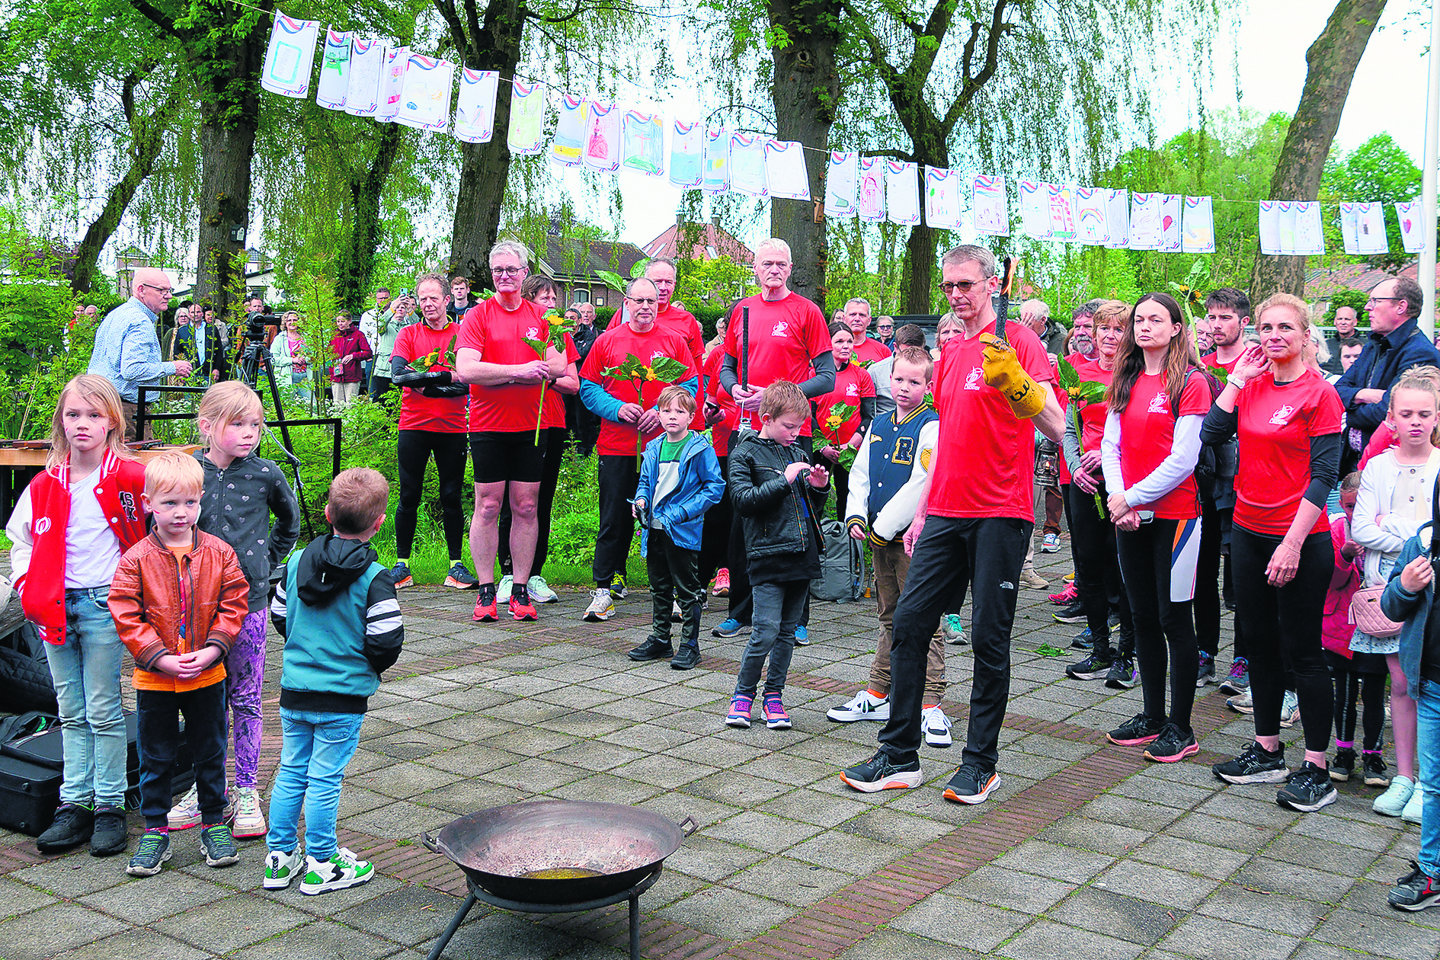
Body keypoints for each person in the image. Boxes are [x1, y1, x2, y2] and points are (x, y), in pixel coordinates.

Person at [840, 244, 1064, 800]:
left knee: (990, 639)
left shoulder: (1021, 342)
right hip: (943, 512)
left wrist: (1019, 385)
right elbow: (944, 444)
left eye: (966, 284)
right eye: (948, 286)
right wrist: (923, 510)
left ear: (992, 284)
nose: (957, 295)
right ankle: (899, 754)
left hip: (1001, 514)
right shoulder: (950, 354)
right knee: (910, 624)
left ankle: (980, 762)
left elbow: (1058, 425)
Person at [1203, 293, 1342, 812]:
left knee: (1302, 652)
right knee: (1256, 644)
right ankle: (1267, 750)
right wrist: (1237, 379)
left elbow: (1325, 475)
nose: (1275, 335)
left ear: (1307, 336)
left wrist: (1292, 542)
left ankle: (1317, 767)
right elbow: (1212, 434)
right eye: (1266, 326)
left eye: (1286, 327)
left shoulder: (1319, 394)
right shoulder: (1253, 384)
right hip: (1247, 529)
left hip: (1301, 536)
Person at [6, 376, 149, 856]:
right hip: (53, 607)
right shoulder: (45, 484)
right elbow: (21, 541)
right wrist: (27, 588)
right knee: (69, 710)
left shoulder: (130, 478)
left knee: (104, 708)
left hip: (103, 606)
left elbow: (158, 533)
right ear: (61, 422)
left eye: (93, 415)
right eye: (73, 415)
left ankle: (109, 805)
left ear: (113, 420)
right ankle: (76, 803)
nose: (82, 424)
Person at [163, 383, 300, 840]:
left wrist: (264, 564)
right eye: (237, 424)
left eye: (256, 425)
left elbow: (289, 521)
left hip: (248, 607)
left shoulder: (265, 474)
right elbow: (159, 527)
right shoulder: (187, 475)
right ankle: (204, 789)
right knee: (201, 702)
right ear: (206, 425)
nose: (249, 433)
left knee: (245, 699)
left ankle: (246, 790)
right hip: (192, 608)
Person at [263, 468, 403, 895]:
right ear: (380, 523)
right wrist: (368, 668)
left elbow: (281, 616)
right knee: (325, 779)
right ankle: (322, 863)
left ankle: (279, 858)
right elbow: (386, 638)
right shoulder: (376, 576)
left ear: (327, 513)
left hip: (295, 689)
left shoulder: (294, 561)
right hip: (342, 697)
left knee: (290, 772)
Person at [110, 452, 249, 876]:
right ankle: (155, 829)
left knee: (210, 752)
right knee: (156, 756)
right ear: (149, 502)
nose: (181, 512)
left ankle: (213, 822)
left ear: (201, 501)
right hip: (155, 680)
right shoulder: (135, 559)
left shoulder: (221, 554)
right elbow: (125, 613)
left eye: (189, 503)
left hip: (208, 673)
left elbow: (234, 602)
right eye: (169, 503)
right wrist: (162, 659)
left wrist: (212, 650)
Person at [1099, 293, 1208, 763]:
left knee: (1172, 619)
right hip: (1131, 516)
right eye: (1138, 319)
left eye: (1155, 319)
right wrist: (1120, 500)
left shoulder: (1193, 381)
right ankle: (1151, 715)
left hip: (1177, 518)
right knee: (1140, 616)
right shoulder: (1125, 377)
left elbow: (1184, 459)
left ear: (1177, 328)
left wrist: (1130, 497)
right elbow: (1110, 444)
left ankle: (1181, 727)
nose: (1144, 327)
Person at [713, 238, 835, 645]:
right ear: (755, 267)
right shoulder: (742, 310)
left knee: (795, 514)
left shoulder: (806, 311)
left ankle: (798, 616)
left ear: (790, 267)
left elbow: (827, 375)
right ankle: (740, 611)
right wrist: (734, 389)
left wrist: (777, 395)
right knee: (744, 518)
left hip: (792, 430)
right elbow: (728, 365)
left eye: (782, 264)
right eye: (767, 263)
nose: (774, 270)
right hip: (747, 427)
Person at [831, 347, 949, 745]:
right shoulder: (879, 424)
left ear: (928, 387)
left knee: (925, 622)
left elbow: (921, 481)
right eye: (899, 379)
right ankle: (879, 693)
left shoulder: (932, 426)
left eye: (915, 382)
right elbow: (860, 472)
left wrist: (884, 526)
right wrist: (856, 515)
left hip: (912, 539)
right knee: (888, 616)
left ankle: (930, 705)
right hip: (878, 535)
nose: (904, 387)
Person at [455, 240, 565, 622]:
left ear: (524, 272)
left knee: (527, 506)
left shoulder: (543, 316)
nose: (505, 276)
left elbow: (560, 363)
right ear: (491, 273)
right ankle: (487, 590)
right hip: (488, 423)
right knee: (487, 505)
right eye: (498, 270)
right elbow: (466, 369)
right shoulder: (478, 316)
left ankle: (520, 589)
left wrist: (515, 371)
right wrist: (518, 372)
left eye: (512, 270)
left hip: (531, 426)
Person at [578, 277, 698, 622]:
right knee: (613, 517)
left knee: (667, 518)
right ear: (626, 303)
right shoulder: (607, 342)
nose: (646, 307)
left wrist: (662, 414)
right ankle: (603, 591)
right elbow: (588, 388)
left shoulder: (674, 342)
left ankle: (672, 592)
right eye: (639, 301)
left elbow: (690, 385)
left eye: (652, 301)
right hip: (617, 445)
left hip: (665, 447)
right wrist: (617, 409)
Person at [1353, 370, 1440, 822]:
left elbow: (1433, 539)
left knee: (1426, 684)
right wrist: (1413, 534)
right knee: (1400, 685)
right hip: (1384, 590)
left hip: (1430, 593)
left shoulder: (1439, 467)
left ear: (1436, 417)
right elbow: (1361, 527)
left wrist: (1394, 527)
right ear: (1391, 417)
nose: (1414, 422)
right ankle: (1405, 776)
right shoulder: (1378, 466)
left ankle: (1430, 781)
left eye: (1424, 414)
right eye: (1405, 413)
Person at [725, 381, 830, 731]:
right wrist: (783, 481)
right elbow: (742, 502)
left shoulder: (798, 452)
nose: (796, 433)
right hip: (767, 554)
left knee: (787, 632)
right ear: (766, 418)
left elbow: (805, 510)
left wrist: (818, 489)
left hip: (801, 555)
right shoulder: (745, 452)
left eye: (800, 427)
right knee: (765, 631)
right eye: (789, 426)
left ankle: (774, 696)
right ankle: (742, 694)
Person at [1061, 301, 1138, 689]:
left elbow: (1142, 434)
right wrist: (1075, 467)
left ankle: (1128, 653)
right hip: (1086, 482)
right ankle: (1100, 648)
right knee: (1088, 565)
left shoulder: (1137, 376)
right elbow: (1068, 428)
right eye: (1103, 329)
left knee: (1123, 568)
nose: (1109, 336)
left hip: (1124, 483)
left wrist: (1108, 459)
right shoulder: (1078, 374)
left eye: (1117, 329)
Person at [388, 274, 480, 591]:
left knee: (451, 496)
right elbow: (398, 376)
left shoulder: (462, 333)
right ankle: (402, 565)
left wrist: (426, 382)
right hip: (413, 425)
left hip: (453, 427)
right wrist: (443, 378)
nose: (427, 304)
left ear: (445, 300)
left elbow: (469, 379)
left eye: (433, 298)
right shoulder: (408, 334)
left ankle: (455, 566)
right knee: (409, 495)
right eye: (421, 298)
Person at [627, 385, 725, 670]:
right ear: (658, 414)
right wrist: (641, 499)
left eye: (679, 411)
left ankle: (690, 645)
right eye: (665, 410)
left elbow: (714, 487)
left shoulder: (700, 449)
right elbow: (646, 482)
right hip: (653, 527)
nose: (672, 416)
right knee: (659, 586)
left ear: (691, 416)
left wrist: (682, 513)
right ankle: (660, 638)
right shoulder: (654, 446)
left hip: (682, 529)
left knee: (688, 589)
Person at [1376, 483, 1440, 912]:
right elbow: (1390, 606)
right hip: (1432, 685)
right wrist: (1406, 585)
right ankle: (1432, 869)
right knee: (1433, 784)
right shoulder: (1423, 542)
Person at [496, 274, 577, 605]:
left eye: (555, 299)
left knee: (539, 501)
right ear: (529, 301)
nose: (552, 305)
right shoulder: (514, 332)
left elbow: (572, 383)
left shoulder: (559, 336)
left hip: (552, 422)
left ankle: (533, 574)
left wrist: (544, 377)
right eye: (545, 299)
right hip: (514, 422)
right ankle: (506, 574)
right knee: (508, 502)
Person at [1196, 288, 1249, 692]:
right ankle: (1204, 652)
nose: (1216, 325)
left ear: (1242, 322)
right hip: (1206, 483)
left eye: (1225, 317)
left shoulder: (1256, 367)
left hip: (1246, 484)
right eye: (1212, 317)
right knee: (1201, 573)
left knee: (1243, 578)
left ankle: (1244, 658)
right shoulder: (1201, 366)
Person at [1335, 277, 1439, 476]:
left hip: (1392, 468)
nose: (1367, 307)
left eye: (1375, 301)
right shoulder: (1374, 346)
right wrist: (1367, 394)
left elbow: (1388, 414)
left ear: (1401, 306)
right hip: (1354, 464)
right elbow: (1337, 391)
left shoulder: (1419, 353)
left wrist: (1351, 412)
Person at [1324, 472, 1389, 787]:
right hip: (1342, 625)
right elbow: (1331, 582)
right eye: (1348, 506)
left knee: (1375, 692)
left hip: (1378, 625)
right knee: (1345, 694)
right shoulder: (1336, 530)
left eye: (1359, 505)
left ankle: (1374, 754)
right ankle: (1343, 752)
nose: (1352, 512)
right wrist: (1345, 556)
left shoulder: (1385, 531)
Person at [88, 267, 193, 439]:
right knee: (133, 463)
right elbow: (132, 370)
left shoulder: (116, 314)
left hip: (100, 402)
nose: (168, 296)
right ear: (141, 290)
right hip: (125, 410)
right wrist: (172, 367)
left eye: (169, 290)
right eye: (161, 290)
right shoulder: (139, 321)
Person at [813, 321, 875, 520]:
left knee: (846, 497)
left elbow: (868, 416)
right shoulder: (814, 375)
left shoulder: (862, 376)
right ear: (828, 344)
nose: (846, 346)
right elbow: (807, 415)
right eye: (839, 341)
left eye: (849, 341)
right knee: (815, 497)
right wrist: (823, 447)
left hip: (849, 448)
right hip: (820, 448)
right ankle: (816, 542)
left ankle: (847, 542)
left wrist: (850, 445)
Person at [870, 323, 928, 420]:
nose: (911, 358)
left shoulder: (929, 369)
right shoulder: (876, 371)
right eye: (906, 353)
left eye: (917, 353)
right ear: (895, 347)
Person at [369, 292, 415, 401]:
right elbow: (379, 325)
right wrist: (392, 308)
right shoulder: (386, 325)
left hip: (402, 371)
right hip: (383, 371)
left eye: (403, 307)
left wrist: (411, 311)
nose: (400, 309)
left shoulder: (410, 328)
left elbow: (419, 326)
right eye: (397, 307)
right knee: (380, 403)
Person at [570, 301, 602, 457]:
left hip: (586, 380)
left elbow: (579, 354)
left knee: (585, 418)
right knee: (570, 417)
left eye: (589, 312)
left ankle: (586, 450)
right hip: (570, 381)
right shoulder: (569, 335)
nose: (586, 315)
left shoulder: (596, 335)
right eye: (582, 312)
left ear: (594, 316)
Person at [328, 312, 372, 406]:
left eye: (342, 321)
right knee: (338, 406)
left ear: (349, 321)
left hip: (352, 376)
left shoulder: (358, 335)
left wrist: (353, 356)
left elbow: (368, 353)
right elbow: (327, 352)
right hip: (336, 376)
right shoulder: (333, 336)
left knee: (351, 406)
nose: (340, 324)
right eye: (338, 321)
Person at [270, 311, 311, 401]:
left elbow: (313, 356)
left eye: (295, 320)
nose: (292, 322)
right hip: (287, 377)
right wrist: (292, 360)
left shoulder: (306, 338)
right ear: (285, 323)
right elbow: (273, 359)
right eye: (289, 320)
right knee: (288, 406)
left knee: (312, 406)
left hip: (304, 377)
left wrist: (305, 358)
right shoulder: (279, 338)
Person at [844, 298, 892, 366]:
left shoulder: (883, 351)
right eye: (852, 314)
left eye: (862, 315)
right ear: (844, 319)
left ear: (869, 320)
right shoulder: (834, 350)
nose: (857, 319)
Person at [1324, 304, 1360, 375]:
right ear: (1335, 321)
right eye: (1340, 319)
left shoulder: (1364, 345)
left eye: (1347, 319)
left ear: (1355, 322)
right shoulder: (1326, 345)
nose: (1343, 322)